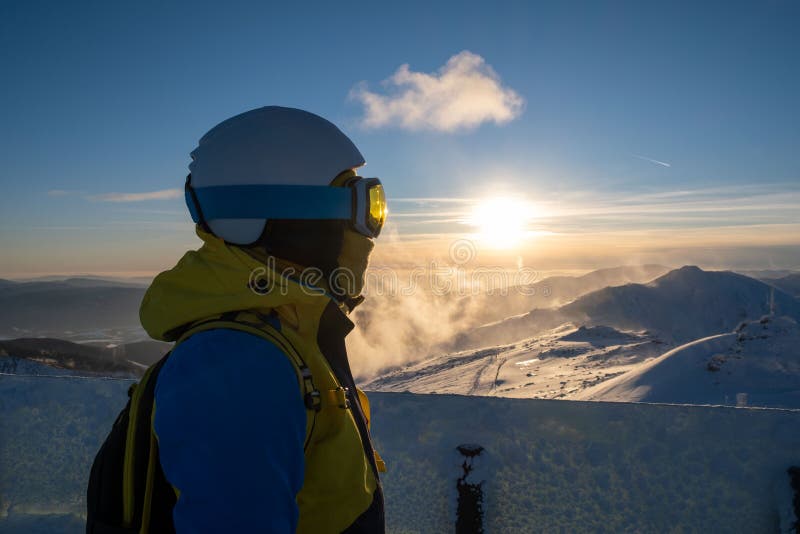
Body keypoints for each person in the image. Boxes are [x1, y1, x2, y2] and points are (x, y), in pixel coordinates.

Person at [86, 106, 387, 534]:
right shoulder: (237, 365)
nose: (370, 227)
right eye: (359, 201)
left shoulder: (287, 333)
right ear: (291, 213)